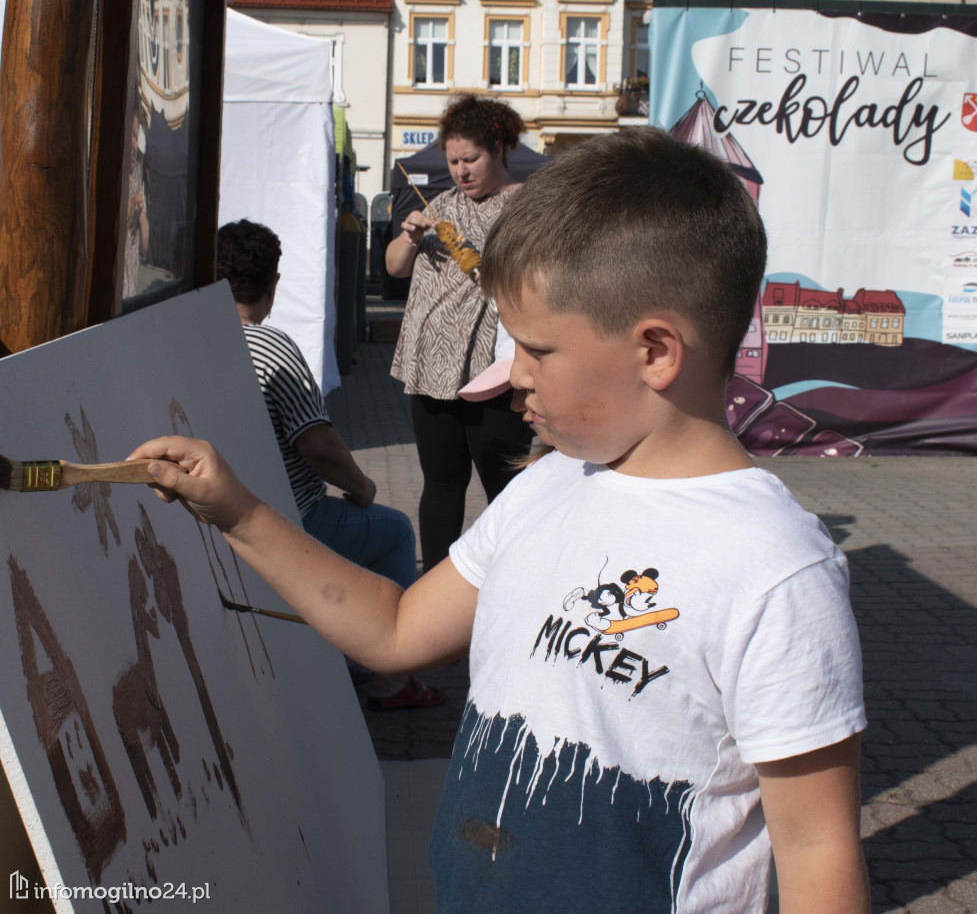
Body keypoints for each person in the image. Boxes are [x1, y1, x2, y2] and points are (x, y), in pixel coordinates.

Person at [136, 129, 869, 912]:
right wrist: (239, 511)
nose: (512, 373)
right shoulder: (545, 486)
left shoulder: (777, 571)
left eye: (535, 348)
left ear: (656, 350)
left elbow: (817, 849)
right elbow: (395, 627)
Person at [216, 219, 443, 711]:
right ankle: (390, 675)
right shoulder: (271, 348)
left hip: (217, 508)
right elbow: (319, 446)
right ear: (273, 283)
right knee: (396, 530)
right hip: (286, 517)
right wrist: (361, 488)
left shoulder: (195, 346)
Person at [385, 94, 534, 571]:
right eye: (453, 161)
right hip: (432, 367)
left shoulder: (527, 209)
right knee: (442, 482)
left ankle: (511, 580)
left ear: (499, 150)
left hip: (493, 371)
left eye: (471, 159)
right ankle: (433, 584)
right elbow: (393, 270)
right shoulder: (437, 204)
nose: (461, 171)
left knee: (504, 486)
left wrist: (487, 266)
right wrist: (408, 239)